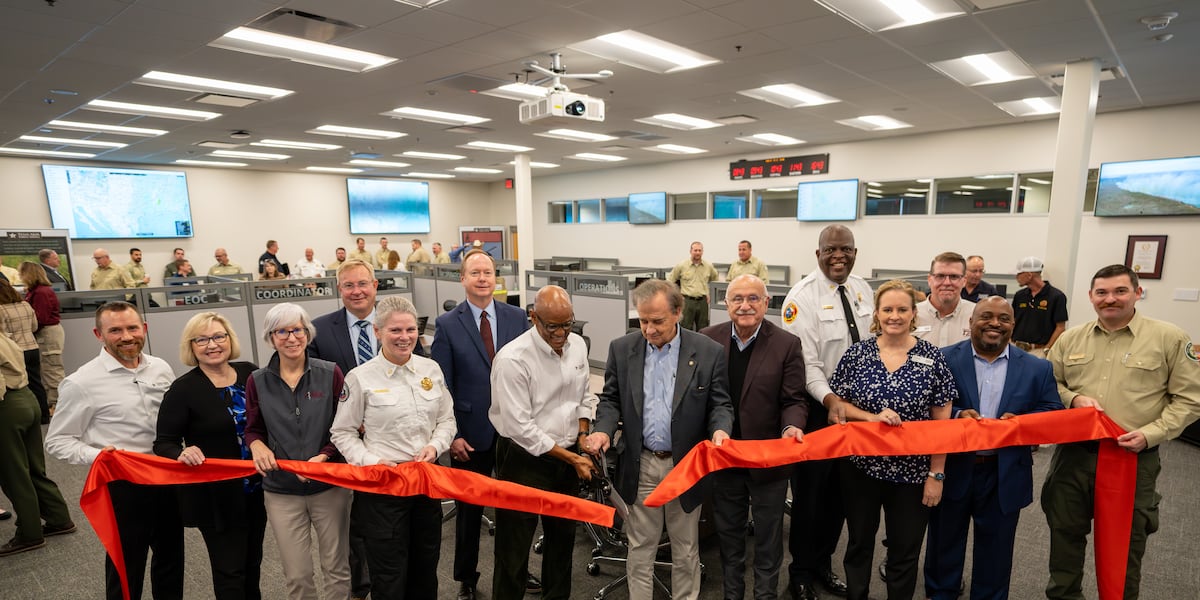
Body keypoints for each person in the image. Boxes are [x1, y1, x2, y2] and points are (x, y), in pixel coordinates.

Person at [1042, 264, 1200, 600]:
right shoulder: (1071, 339)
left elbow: (1190, 399)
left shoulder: (1169, 338)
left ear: (1137, 293)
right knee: (1064, 536)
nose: (1110, 299)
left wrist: (1152, 433)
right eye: (1102, 292)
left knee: (1125, 545)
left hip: (1132, 459)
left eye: (1120, 291)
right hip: (1074, 457)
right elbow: (1049, 383)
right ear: (1091, 296)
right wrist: (1073, 399)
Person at [585, 278, 734, 600]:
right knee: (640, 547)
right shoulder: (622, 349)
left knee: (685, 547)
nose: (649, 330)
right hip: (642, 463)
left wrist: (720, 430)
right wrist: (603, 430)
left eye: (657, 321)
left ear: (678, 313)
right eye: (643, 321)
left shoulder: (708, 351)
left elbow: (720, 404)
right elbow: (610, 399)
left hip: (686, 467)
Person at [923, 297, 1063, 600]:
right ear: (971, 322)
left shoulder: (1038, 368)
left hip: (1005, 472)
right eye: (986, 316)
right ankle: (941, 594)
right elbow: (924, 405)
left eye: (1004, 318)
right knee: (943, 545)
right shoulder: (944, 359)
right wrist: (957, 414)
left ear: (1013, 324)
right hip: (953, 468)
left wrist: (1022, 423)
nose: (995, 323)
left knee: (996, 552)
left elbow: (1052, 411)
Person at [45, 301, 184, 600]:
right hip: (122, 485)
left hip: (166, 478)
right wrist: (98, 455)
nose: (126, 336)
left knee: (171, 560)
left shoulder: (161, 368)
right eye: (115, 330)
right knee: (126, 566)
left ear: (144, 328)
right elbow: (56, 441)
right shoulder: (81, 382)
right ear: (99, 334)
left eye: (132, 328)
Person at [831, 279, 955, 600]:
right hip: (861, 469)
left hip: (912, 474)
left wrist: (936, 475)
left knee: (904, 551)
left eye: (902, 309)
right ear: (877, 313)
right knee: (858, 544)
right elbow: (838, 406)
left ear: (914, 313)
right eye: (887, 309)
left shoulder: (932, 358)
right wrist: (870, 418)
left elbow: (942, 426)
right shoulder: (857, 354)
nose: (894, 316)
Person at [330, 296, 455, 600]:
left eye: (410, 329)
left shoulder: (431, 369)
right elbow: (342, 432)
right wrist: (371, 461)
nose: (404, 337)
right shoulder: (360, 377)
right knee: (389, 575)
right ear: (377, 332)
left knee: (426, 567)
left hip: (425, 481)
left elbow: (447, 420)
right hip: (383, 486)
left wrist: (435, 446)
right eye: (395, 330)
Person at [699, 275, 808, 600]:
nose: (745, 305)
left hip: (768, 461)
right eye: (737, 299)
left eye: (753, 298)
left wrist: (791, 427)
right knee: (729, 537)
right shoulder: (708, 338)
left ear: (766, 303)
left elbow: (794, 399)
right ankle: (732, 595)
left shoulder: (787, 343)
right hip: (725, 457)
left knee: (768, 540)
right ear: (726, 303)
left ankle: (765, 595)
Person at [431, 249, 531, 600]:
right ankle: (466, 578)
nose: (483, 278)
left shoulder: (517, 317)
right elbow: (442, 385)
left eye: (487, 272)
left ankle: (516, 573)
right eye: (475, 273)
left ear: (495, 277)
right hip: (470, 434)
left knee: (515, 511)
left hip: (514, 431)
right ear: (463, 279)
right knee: (469, 513)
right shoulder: (447, 324)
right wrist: (453, 435)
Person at [779, 224, 871, 600]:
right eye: (831, 250)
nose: (839, 256)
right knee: (810, 499)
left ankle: (822, 564)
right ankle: (800, 573)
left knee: (841, 498)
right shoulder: (800, 299)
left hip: (858, 415)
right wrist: (831, 401)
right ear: (818, 254)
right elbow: (807, 365)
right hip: (819, 411)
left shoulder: (863, 290)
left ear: (855, 252)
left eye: (845, 249)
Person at [488, 285, 597, 600]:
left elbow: (584, 396)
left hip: (569, 454)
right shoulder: (512, 359)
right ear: (533, 317)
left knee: (562, 540)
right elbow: (521, 428)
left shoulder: (577, 345)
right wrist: (573, 458)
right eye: (552, 326)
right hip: (523, 459)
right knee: (513, 547)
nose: (561, 333)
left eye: (567, 324)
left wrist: (583, 437)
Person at [153, 313, 265, 599]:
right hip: (217, 495)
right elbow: (163, 442)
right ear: (191, 347)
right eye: (201, 340)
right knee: (230, 570)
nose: (212, 345)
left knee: (253, 563)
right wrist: (182, 451)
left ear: (229, 339)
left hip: (258, 488)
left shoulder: (250, 374)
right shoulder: (183, 389)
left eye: (218, 337)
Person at [245, 303, 352, 600]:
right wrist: (256, 444)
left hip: (329, 485)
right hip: (281, 490)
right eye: (282, 331)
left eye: (298, 330)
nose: (292, 338)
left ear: (308, 333)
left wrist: (325, 455)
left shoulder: (330, 373)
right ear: (271, 337)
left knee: (336, 567)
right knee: (297, 574)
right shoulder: (257, 380)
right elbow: (253, 428)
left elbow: (345, 427)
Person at [308, 258, 380, 599]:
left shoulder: (394, 322)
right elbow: (313, 389)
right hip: (345, 438)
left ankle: (389, 580)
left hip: (393, 440)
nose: (357, 291)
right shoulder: (320, 330)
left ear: (375, 286)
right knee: (352, 520)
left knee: (388, 515)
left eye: (363, 283)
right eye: (349, 285)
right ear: (339, 289)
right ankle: (359, 586)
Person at [0, 330, 75, 557]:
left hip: (5, 406)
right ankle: (58, 518)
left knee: (13, 474)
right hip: (25, 398)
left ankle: (29, 533)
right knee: (34, 468)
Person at [0, 278, 47, 427]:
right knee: (37, 382)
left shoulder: (1, 309)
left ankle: (27, 417)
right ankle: (44, 415)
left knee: (22, 385)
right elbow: (34, 326)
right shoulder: (26, 305)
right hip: (33, 347)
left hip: (16, 351)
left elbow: (3, 333)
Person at [19, 262, 62, 420]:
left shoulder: (41, 292)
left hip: (47, 333)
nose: (20, 277)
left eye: (21, 274)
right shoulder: (36, 291)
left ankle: (58, 406)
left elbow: (40, 318)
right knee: (47, 370)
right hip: (45, 333)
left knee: (52, 370)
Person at [1011, 256, 1067, 358]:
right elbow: (1012, 320)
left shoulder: (1056, 296)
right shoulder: (1019, 295)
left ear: (1029, 275)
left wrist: (1046, 349)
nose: (1016, 277)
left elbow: (1060, 327)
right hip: (1015, 349)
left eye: (1019, 274)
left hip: (1039, 351)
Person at [916, 252, 975, 348]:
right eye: (940, 276)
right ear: (929, 280)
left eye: (954, 277)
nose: (947, 283)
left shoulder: (976, 314)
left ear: (964, 281)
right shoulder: (911, 315)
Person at [667, 241, 718, 330]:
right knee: (685, 327)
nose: (697, 253)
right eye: (695, 250)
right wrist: (678, 295)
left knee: (704, 328)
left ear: (702, 252)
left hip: (703, 302)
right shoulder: (682, 265)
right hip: (687, 301)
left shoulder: (708, 266)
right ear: (690, 251)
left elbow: (715, 280)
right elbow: (670, 281)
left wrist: (709, 293)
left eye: (699, 250)